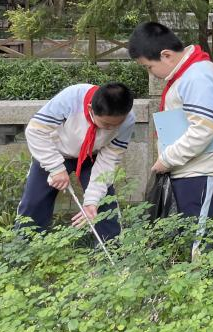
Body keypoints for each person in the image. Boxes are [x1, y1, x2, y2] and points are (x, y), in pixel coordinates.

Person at [128, 22, 213, 223]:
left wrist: (167, 159)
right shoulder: (187, 73)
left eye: (149, 67)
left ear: (166, 55)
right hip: (189, 169)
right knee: (186, 236)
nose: (150, 73)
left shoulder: (196, 76)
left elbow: (203, 128)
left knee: (196, 238)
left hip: (202, 172)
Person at [16, 82, 135, 241]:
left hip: (92, 156)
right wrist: (56, 168)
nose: (110, 129)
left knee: (104, 204)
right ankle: (24, 249)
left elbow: (109, 160)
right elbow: (35, 130)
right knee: (34, 203)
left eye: (116, 124)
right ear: (91, 108)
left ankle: (112, 249)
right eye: (106, 124)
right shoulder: (71, 97)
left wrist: (92, 201)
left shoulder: (128, 119)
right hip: (53, 153)